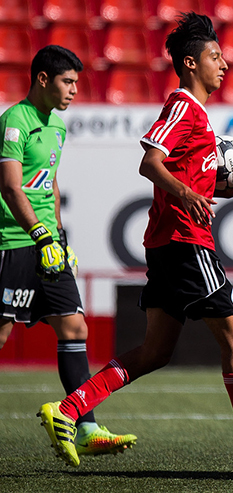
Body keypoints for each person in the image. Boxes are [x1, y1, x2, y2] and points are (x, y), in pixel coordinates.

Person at [37, 13, 233, 473]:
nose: (224, 64)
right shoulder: (184, 106)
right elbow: (150, 162)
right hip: (188, 244)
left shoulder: (200, 117)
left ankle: (67, 410)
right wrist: (187, 193)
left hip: (169, 243)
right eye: (214, 56)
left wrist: (222, 188)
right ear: (190, 63)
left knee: (155, 352)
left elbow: (186, 175)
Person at [0, 45, 136, 459]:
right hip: (16, 243)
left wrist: (59, 237)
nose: (75, 89)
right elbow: (10, 186)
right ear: (43, 79)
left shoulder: (58, 128)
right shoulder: (13, 122)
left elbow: (51, 184)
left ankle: (87, 427)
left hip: (47, 245)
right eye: (68, 81)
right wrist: (40, 234)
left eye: (76, 82)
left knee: (75, 329)